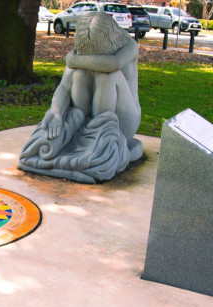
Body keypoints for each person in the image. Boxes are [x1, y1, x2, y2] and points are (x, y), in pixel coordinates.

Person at [19, 12, 142, 183]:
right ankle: (82, 142)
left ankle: (99, 138)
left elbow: (113, 64)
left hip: (122, 119)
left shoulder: (129, 46)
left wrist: (74, 60)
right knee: (80, 74)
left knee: (108, 75)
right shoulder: (81, 51)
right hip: (86, 114)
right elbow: (65, 85)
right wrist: (55, 111)